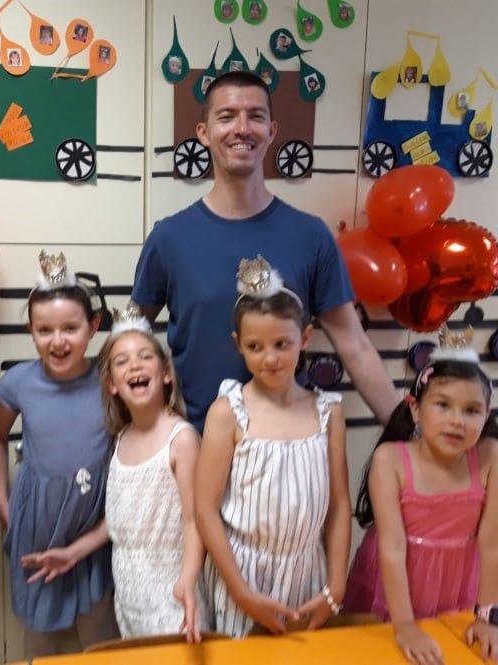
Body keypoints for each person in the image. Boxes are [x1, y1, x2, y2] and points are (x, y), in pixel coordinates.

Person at [131, 71, 399, 433]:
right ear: (204, 132)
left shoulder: (311, 236)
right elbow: (129, 337)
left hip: (285, 447)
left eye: (255, 116)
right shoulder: (169, 238)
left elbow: (355, 346)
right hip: (194, 444)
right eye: (227, 116)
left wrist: (408, 433)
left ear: (272, 131)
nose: (242, 128)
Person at [194, 256, 351, 637]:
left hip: (307, 577)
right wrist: (240, 592)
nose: (270, 358)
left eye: (282, 344)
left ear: (305, 338)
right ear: (239, 345)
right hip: (240, 578)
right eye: (255, 346)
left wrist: (336, 585)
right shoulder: (228, 413)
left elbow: (339, 505)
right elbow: (205, 509)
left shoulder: (328, 413)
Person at [0, 250, 119, 658]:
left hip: (93, 527)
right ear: (31, 329)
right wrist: (2, 502)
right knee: (39, 642)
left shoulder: (110, 379)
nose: (58, 341)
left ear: (92, 326)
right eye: (45, 330)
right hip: (38, 527)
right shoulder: (17, 382)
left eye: (70, 328)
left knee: (100, 637)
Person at [346, 328, 498, 665]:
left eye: (471, 410)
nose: (457, 421)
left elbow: (492, 544)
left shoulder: (491, 456)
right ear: (415, 409)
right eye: (443, 405)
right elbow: (392, 547)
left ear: (486, 415)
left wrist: (488, 617)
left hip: (459, 583)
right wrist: (404, 625)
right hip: (395, 584)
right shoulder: (390, 460)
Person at [98, 303, 208, 641]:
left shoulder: (181, 439)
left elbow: (194, 519)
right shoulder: (120, 439)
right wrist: (72, 552)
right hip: (129, 597)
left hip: (172, 595)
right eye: (122, 361)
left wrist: (187, 579)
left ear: (166, 373)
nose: (135, 365)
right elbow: (120, 522)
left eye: (145, 356)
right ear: (112, 384)